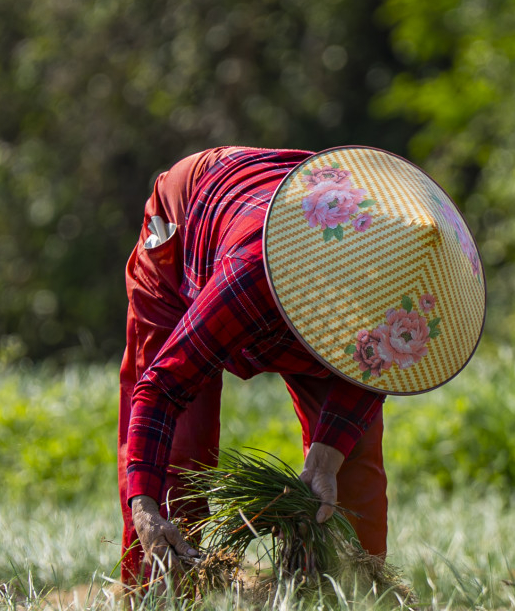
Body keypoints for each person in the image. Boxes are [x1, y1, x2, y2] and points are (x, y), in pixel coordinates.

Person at [117, 145, 485, 586]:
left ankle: (354, 603)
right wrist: (144, 504)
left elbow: (369, 379)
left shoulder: (397, 291)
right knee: (179, 460)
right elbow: (164, 387)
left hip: (309, 272)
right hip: (190, 220)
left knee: (351, 470)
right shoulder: (253, 273)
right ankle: (159, 599)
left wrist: (326, 458)